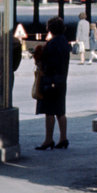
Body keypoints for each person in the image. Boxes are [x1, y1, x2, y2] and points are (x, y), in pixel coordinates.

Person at [35, 17, 70, 150]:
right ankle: (63, 138)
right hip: (61, 80)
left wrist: (40, 62)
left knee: (49, 111)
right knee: (60, 111)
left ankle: (48, 139)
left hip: (50, 81)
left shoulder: (52, 44)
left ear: (50, 29)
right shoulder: (64, 43)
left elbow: (48, 64)